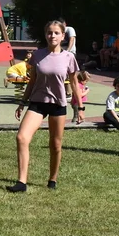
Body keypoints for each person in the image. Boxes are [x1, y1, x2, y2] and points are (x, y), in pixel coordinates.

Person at [8, 20, 82, 192]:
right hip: (38, 103)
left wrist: (80, 108)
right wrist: (22, 102)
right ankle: (21, 182)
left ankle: (52, 179)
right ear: (45, 35)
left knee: (55, 145)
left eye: (56, 33)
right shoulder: (37, 55)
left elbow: (74, 83)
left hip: (58, 105)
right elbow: (32, 81)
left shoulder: (69, 57)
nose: (52, 36)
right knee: (22, 137)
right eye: (49, 32)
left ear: (63, 36)